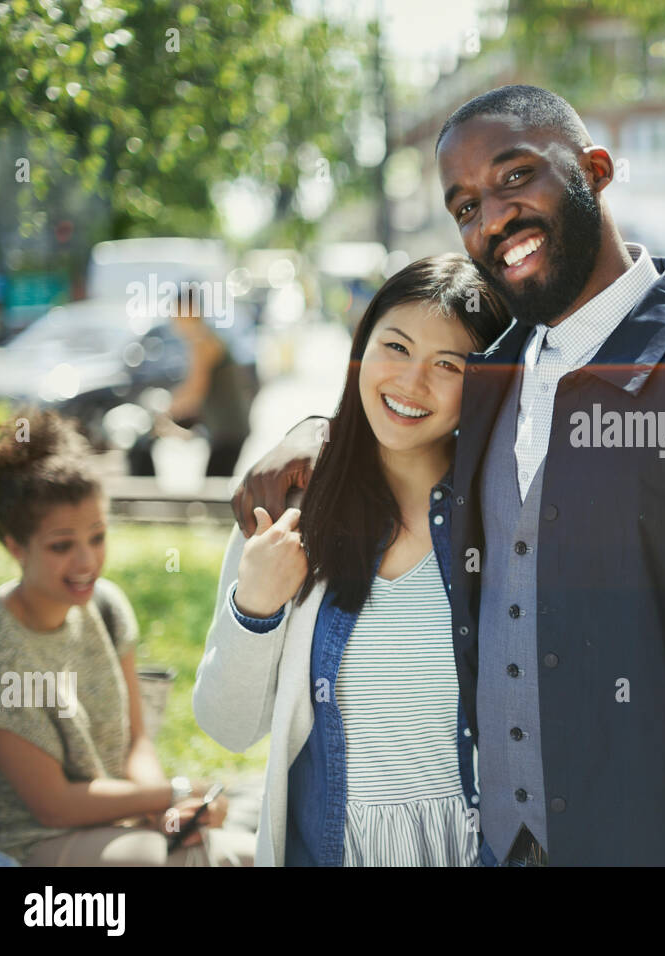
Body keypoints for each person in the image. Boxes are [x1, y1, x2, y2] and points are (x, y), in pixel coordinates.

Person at [233, 85, 665, 866]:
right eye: (463, 206)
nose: (492, 218)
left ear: (595, 169)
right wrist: (317, 433)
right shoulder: (491, 380)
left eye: (515, 176)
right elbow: (401, 417)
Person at [192, 255, 511, 866]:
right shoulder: (288, 508)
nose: (411, 382)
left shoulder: (506, 517)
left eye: (449, 364)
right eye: (396, 346)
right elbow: (227, 726)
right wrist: (254, 607)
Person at [0, 410, 249, 866]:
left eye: (97, 537)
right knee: (159, 859)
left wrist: (168, 810)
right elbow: (52, 804)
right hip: (25, 840)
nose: (86, 562)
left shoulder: (106, 606)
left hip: (114, 820)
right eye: (62, 545)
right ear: (15, 547)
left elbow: (135, 740)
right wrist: (171, 792)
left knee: (247, 852)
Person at [129, 286, 253, 478]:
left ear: (189, 311)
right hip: (225, 429)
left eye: (176, 313)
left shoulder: (203, 342)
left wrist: (165, 409)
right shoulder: (202, 339)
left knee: (215, 488)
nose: (173, 320)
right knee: (214, 482)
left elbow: (195, 391)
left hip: (229, 431)